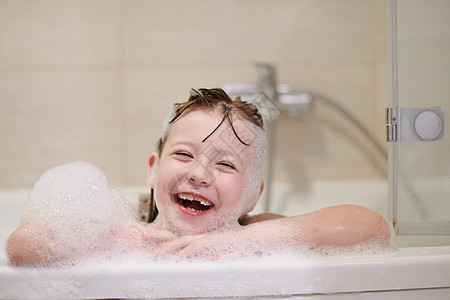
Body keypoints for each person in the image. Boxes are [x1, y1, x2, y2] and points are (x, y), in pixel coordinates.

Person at [6, 88, 390, 266]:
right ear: (153, 168)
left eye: (225, 165)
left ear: (254, 194)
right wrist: (132, 242)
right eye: (184, 154)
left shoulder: (255, 229)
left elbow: (372, 227)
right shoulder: (128, 226)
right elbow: (23, 246)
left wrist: (238, 240)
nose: (199, 174)